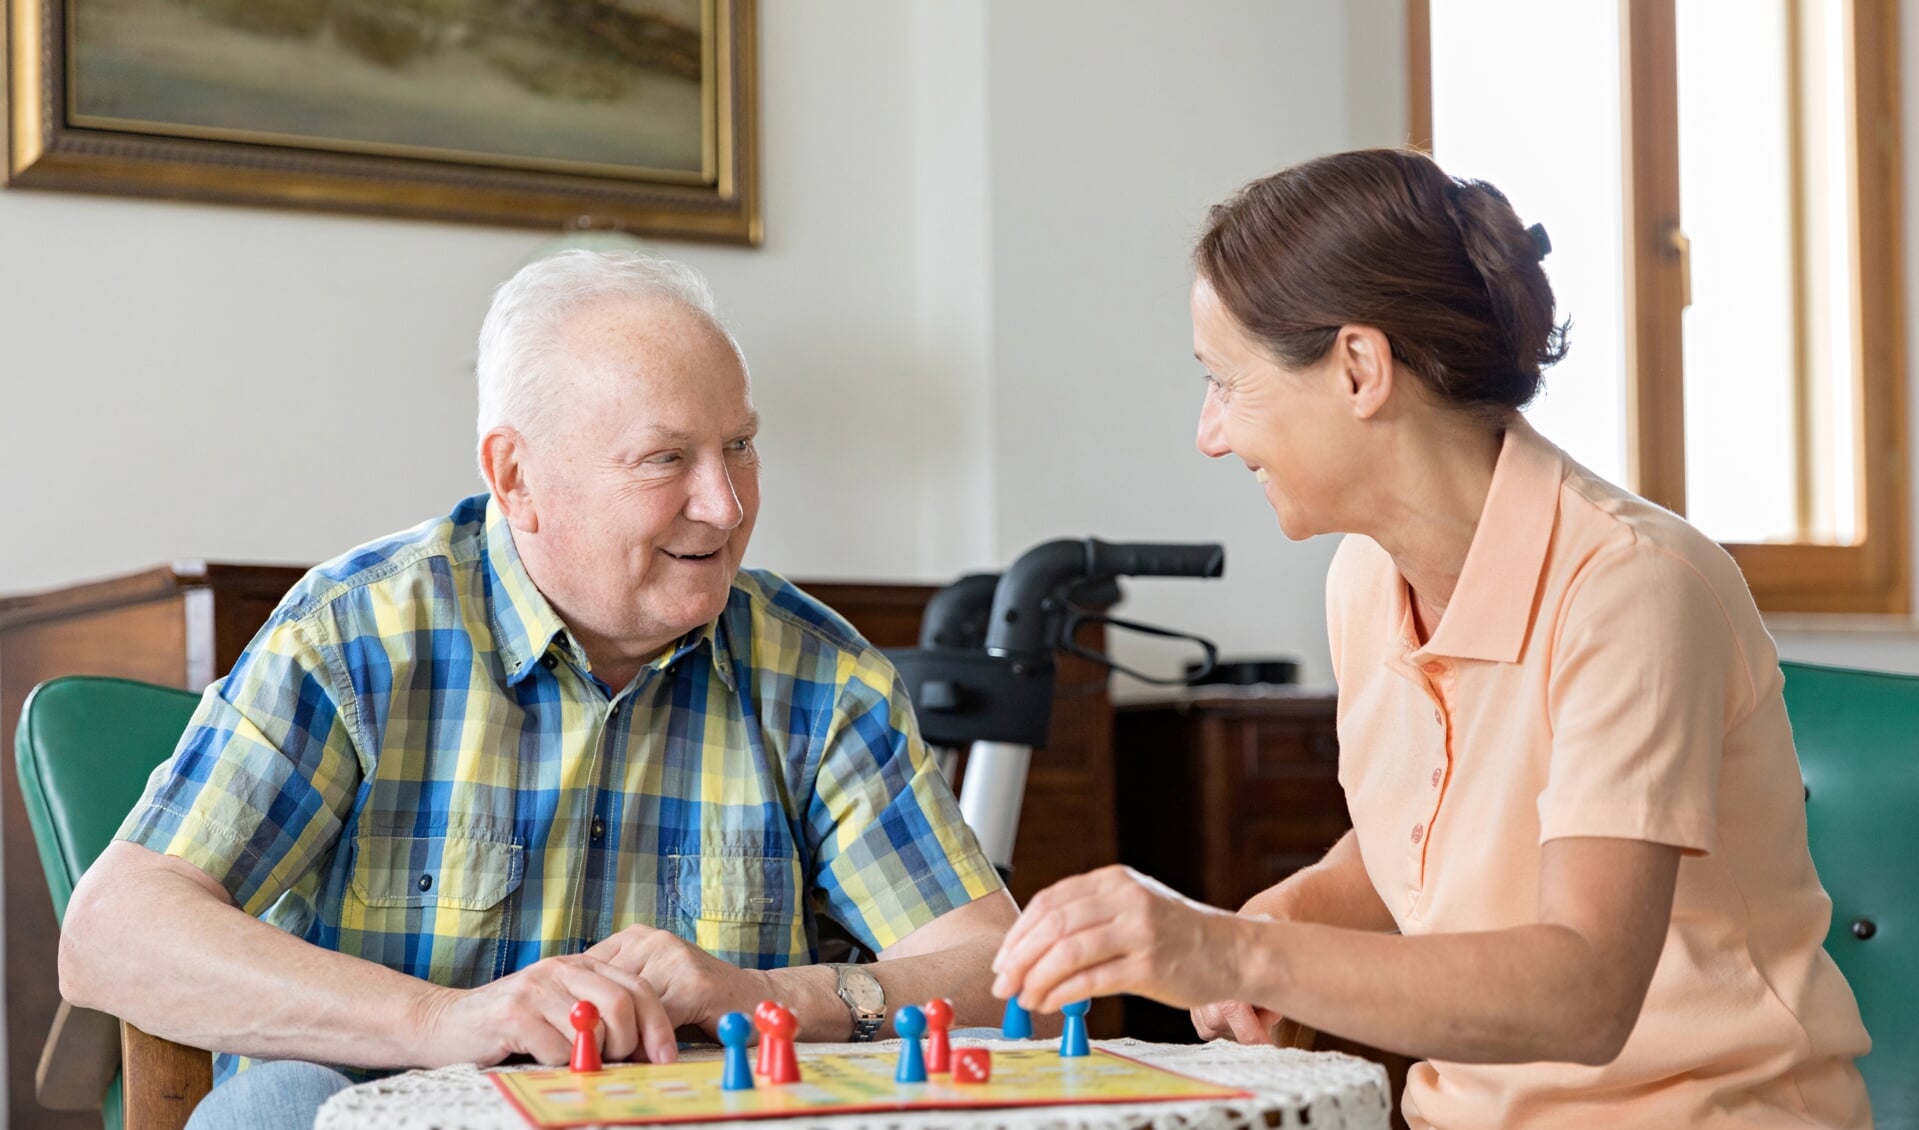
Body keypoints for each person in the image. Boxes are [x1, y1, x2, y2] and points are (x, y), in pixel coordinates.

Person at [989, 149, 1873, 1129]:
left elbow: (1585, 987)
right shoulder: (1365, 577)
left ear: (1359, 368)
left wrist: (1226, 949)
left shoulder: (1630, 585)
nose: (1209, 433)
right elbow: (1412, 852)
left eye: (1225, 383)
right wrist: (1285, 919)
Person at [59, 251, 1014, 1129]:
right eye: (666, 458)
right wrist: (442, 1021)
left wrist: (767, 995)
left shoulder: (820, 678)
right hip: (387, 1113)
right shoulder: (356, 635)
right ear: (517, 476)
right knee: (279, 1105)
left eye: (742, 446)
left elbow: (1010, 975)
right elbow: (114, 933)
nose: (725, 505)